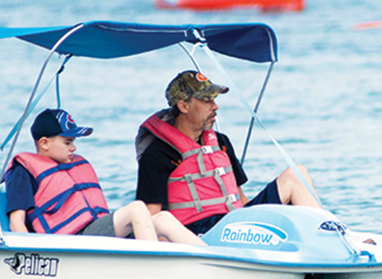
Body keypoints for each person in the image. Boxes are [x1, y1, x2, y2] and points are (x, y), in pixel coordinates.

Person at [135, 70, 321, 236]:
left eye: (214, 100)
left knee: (297, 175)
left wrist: (268, 221)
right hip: (199, 233)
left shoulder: (221, 142)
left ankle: (326, 241)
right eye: (207, 100)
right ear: (184, 106)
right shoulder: (157, 155)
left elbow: (240, 198)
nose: (215, 106)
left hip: (235, 225)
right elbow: (152, 217)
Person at [5, 108, 206, 246]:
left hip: (93, 232)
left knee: (163, 218)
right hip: (71, 241)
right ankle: (153, 269)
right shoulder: (25, 171)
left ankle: (214, 257)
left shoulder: (72, 164)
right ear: (44, 143)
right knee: (136, 209)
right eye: (67, 142)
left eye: (73, 141)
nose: (73, 147)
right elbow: (16, 223)